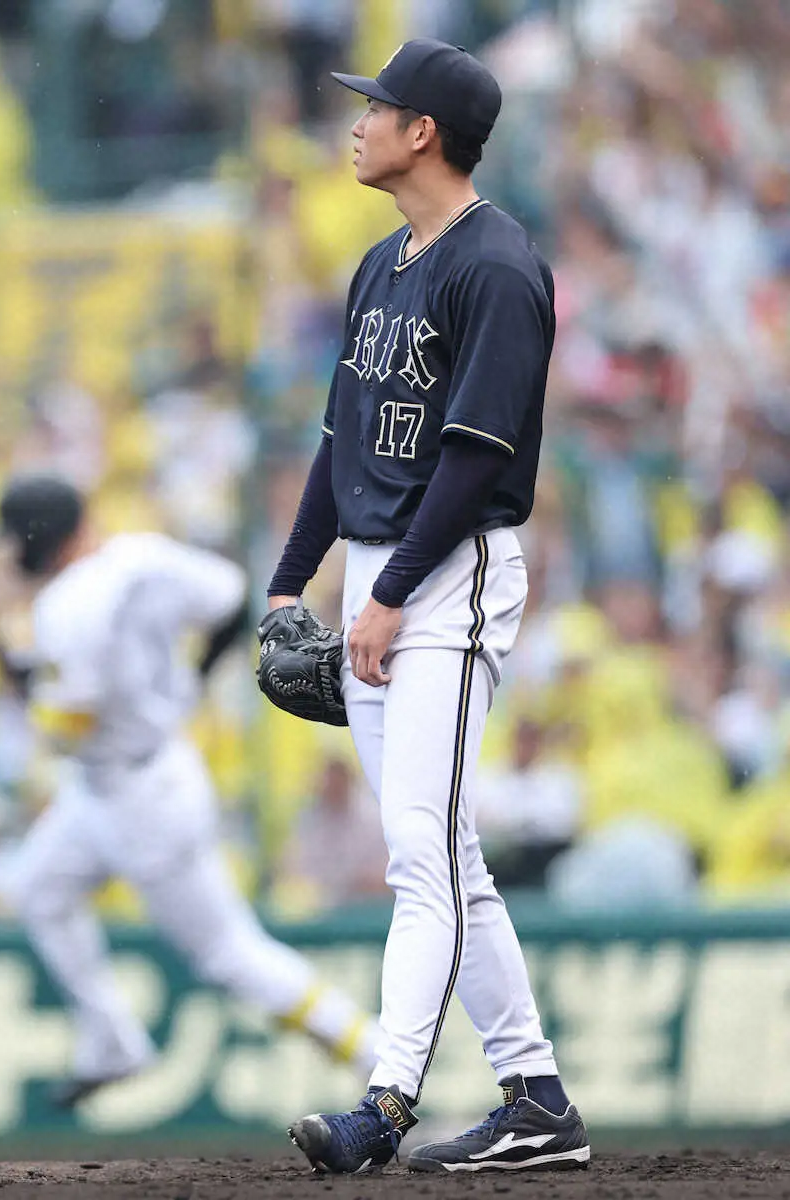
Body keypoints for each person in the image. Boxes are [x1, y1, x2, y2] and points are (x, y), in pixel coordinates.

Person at [266, 39, 590, 1174]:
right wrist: (286, 583)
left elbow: (474, 455)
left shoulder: (497, 266)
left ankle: (385, 1106)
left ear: (427, 135)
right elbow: (336, 443)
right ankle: (537, 1098)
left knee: (418, 854)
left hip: (447, 572)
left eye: (380, 108)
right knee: (446, 853)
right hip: (378, 570)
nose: (358, 123)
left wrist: (395, 595)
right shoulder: (380, 264)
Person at [0, 472, 380, 1106]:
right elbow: (230, 601)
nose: (9, 555)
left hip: (140, 799)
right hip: (122, 780)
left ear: (39, 538)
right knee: (38, 889)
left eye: (13, 540)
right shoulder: (141, 554)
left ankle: (372, 1049)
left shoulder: (66, 604)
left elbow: (66, 723)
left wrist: (17, 674)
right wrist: (192, 682)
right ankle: (111, 1041)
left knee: (229, 952)